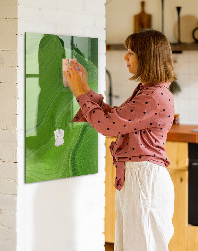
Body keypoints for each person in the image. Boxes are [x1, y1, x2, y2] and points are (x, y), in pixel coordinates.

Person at [63, 29, 176, 251]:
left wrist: (79, 93)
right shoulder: (149, 91)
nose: (125, 57)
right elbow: (115, 119)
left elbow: (107, 126)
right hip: (138, 178)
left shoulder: (153, 96)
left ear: (147, 56)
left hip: (144, 180)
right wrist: (85, 88)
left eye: (131, 52)